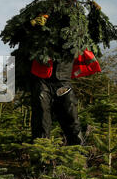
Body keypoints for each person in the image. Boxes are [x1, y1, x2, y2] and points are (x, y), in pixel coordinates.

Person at [29, 12, 101, 146]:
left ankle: (78, 158)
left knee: (71, 119)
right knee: (41, 120)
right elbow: (23, 36)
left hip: (63, 82)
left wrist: (94, 14)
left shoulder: (77, 35)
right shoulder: (40, 30)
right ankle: (41, 162)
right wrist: (35, 25)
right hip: (42, 80)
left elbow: (95, 34)